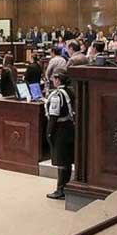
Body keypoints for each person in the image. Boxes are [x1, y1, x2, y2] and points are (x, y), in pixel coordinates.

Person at [45, 69, 75, 200]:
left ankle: (60, 189)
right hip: (69, 127)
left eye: (53, 78)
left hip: (60, 129)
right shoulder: (71, 91)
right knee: (67, 160)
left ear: (58, 79)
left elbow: (53, 116)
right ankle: (65, 186)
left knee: (61, 160)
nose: (52, 80)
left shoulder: (57, 95)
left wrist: (49, 132)